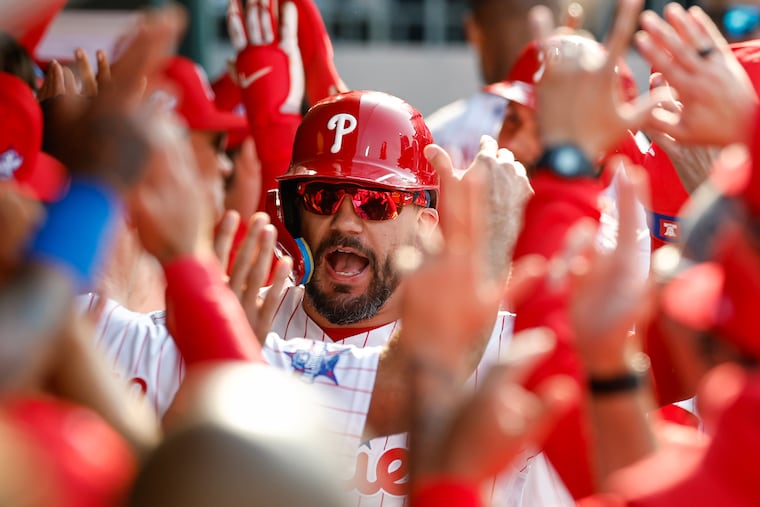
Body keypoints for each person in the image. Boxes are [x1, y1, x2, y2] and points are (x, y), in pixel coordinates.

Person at [425, 0, 567, 170]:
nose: (515, 143)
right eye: (512, 119)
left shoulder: (434, 135)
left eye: (540, 127)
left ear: (472, 30)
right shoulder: (434, 139)